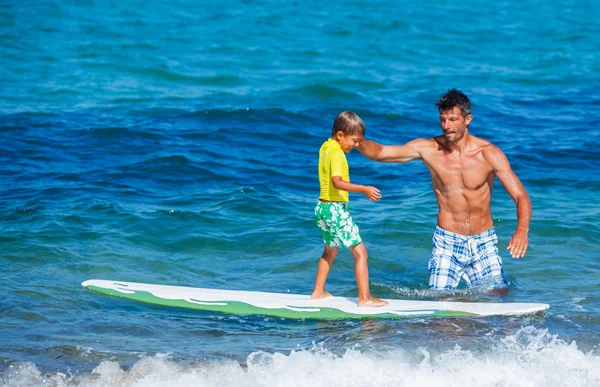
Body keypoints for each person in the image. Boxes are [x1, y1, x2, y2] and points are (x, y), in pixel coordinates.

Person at [358, 89, 531, 291]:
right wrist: (357, 140)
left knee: (497, 299)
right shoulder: (429, 149)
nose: (446, 126)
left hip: (484, 242)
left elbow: (521, 196)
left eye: (452, 120)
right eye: (442, 120)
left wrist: (522, 230)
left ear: (468, 120)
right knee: (440, 305)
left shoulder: (489, 154)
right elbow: (381, 153)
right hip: (447, 243)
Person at [312, 111, 388, 306]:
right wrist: (363, 189)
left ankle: (318, 292)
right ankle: (365, 298)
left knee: (330, 251)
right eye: (354, 141)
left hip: (322, 208)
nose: (356, 145)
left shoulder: (326, 147)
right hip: (335, 209)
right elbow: (337, 182)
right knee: (360, 253)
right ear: (340, 135)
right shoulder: (337, 152)